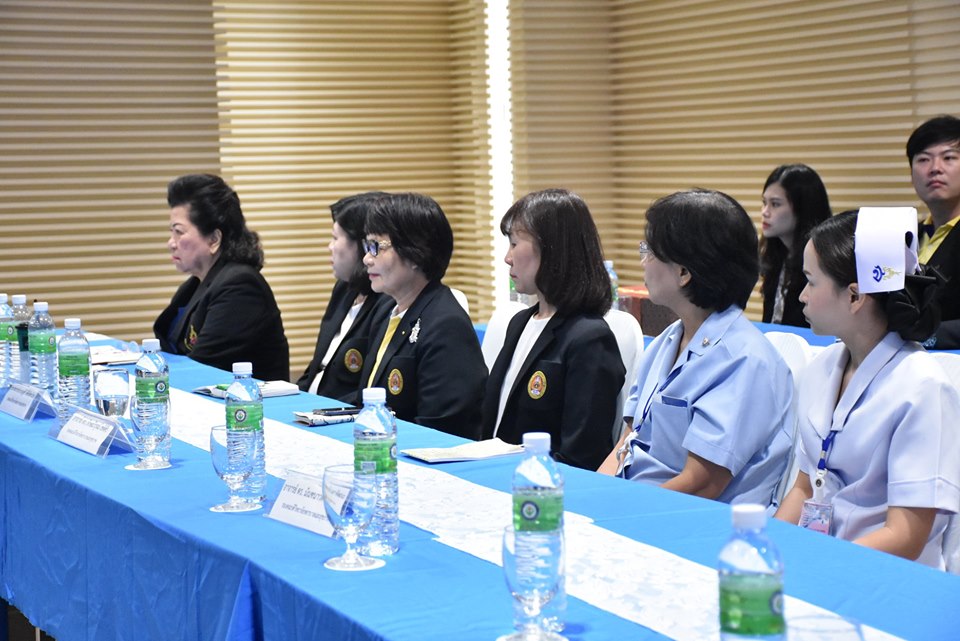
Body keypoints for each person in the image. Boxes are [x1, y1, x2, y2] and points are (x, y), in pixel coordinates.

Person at [775, 210, 960, 568]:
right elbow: (804, 488)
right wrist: (768, 548)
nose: (801, 296)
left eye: (811, 281)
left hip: (884, 577)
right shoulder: (823, 366)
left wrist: (820, 564)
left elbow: (905, 536)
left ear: (855, 296)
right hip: (824, 560)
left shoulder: (923, 389)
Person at [598, 189, 793, 506]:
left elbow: (703, 484)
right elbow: (627, 442)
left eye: (650, 251)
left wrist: (619, 509)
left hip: (694, 519)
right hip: (639, 505)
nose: (643, 262)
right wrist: (592, 498)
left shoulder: (744, 360)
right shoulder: (666, 341)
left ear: (684, 273)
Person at [480, 189, 625, 470]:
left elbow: (582, 455)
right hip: (493, 473)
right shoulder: (520, 322)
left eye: (514, 244)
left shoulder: (589, 338)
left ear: (552, 249)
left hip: (542, 486)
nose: (507, 258)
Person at [357, 193, 486, 438]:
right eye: (367, 246)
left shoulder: (446, 325)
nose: (366, 259)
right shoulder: (386, 310)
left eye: (376, 247)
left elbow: (441, 431)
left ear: (415, 253)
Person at [154, 174, 289, 380]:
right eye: (172, 232)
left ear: (214, 239)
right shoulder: (194, 286)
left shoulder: (240, 288)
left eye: (179, 232)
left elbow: (200, 368)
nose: (171, 243)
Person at [296, 192, 388, 401]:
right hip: (309, 405)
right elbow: (315, 369)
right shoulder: (344, 289)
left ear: (363, 246)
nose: (330, 247)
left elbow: (371, 390)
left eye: (335, 238)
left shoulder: (388, 301)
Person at [907, 115, 960, 348]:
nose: (935, 168)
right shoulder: (908, 234)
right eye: (923, 159)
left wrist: (916, 335)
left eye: (949, 158)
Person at [759, 164, 832, 327]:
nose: (765, 211)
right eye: (764, 202)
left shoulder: (824, 263)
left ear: (803, 208)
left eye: (775, 204)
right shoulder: (776, 257)